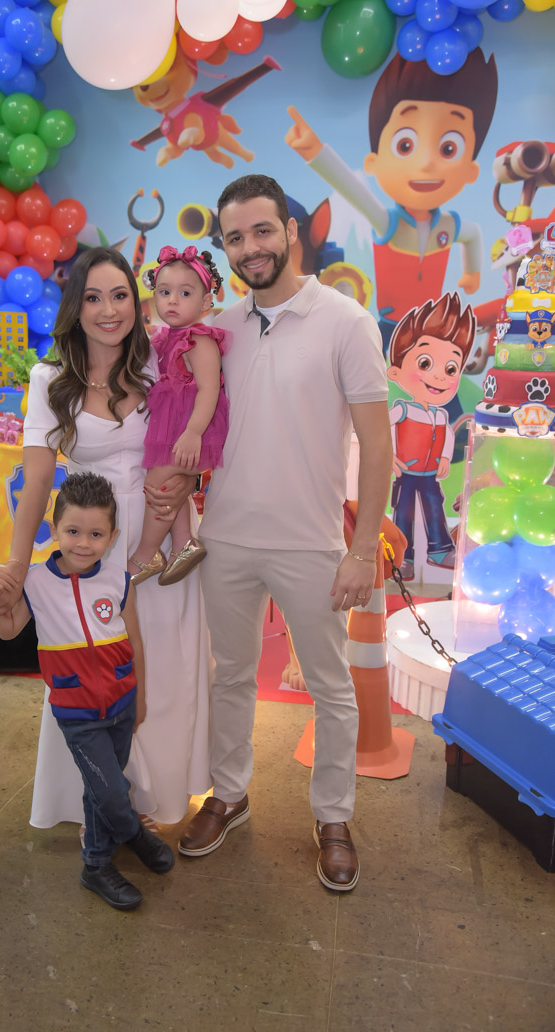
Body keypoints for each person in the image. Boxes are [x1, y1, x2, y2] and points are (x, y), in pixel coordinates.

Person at [178, 175, 392, 893]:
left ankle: (333, 817)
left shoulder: (345, 321)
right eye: (235, 238)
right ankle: (228, 795)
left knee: (331, 688)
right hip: (226, 537)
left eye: (262, 231)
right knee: (230, 676)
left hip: (311, 543)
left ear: (291, 231)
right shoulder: (220, 328)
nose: (250, 248)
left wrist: (361, 549)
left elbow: (378, 444)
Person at [0, 246, 211, 835]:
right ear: (74, 307)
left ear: (137, 301)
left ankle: (158, 795)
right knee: (96, 666)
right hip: (92, 542)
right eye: (93, 297)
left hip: (163, 537)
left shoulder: (162, 360)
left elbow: (201, 431)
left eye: (120, 295)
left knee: (165, 662)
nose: (109, 310)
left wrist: (188, 481)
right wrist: (16, 564)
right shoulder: (50, 379)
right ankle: (104, 798)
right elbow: (36, 481)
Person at [0, 472, 175, 910]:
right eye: (73, 531)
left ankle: (96, 864)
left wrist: (140, 698)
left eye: (95, 534)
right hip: (77, 713)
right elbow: (9, 630)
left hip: (122, 705)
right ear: (54, 530)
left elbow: (135, 641)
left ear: (112, 537)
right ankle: (134, 835)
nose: (83, 544)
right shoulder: (35, 582)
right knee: (110, 791)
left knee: (97, 790)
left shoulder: (118, 581)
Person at [285, 48, 498, 352]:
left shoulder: (449, 226)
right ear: (373, 162)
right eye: (405, 145)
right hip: (391, 326)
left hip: (430, 325)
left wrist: (471, 273)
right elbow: (353, 191)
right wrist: (315, 153)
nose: (427, 164)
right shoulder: (389, 224)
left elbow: (473, 234)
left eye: (448, 149)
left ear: (471, 170)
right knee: (379, 373)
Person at [128, 244, 230, 586]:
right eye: (164, 292)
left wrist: (193, 432)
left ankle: (146, 555)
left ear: (205, 302)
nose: (172, 301)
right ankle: (184, 541)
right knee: (171, 487)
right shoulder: (168, 338)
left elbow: (210, 389)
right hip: (173, 426)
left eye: (185, 293)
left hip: (189, 429)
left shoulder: (199, 340)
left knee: (158, 485)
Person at [387, 292, 476, 581]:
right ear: (395, 372)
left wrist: (446, 458)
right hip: (406, 472)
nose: (439, 376)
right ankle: (404, 557)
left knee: (434, 508)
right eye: (425, 363)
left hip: (429, 475)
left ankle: (440, 549)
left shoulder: (440, 416)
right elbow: (381, 428)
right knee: (404, 512)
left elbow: (447, 437)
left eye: (451, 369)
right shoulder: (402, 409)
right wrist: (388, 455)